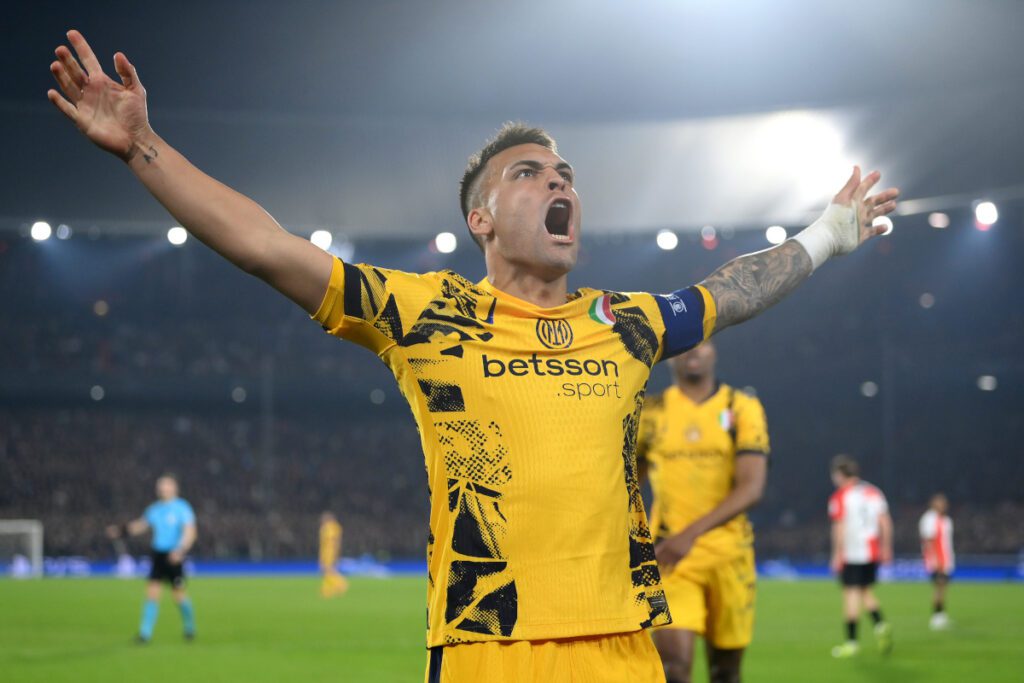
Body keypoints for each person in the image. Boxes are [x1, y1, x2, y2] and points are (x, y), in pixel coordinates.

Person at [48, 30, 898, 681]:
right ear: (481, 220)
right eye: (530, 173)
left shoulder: (625, 321)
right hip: (491, 644)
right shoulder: (428, 313)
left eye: (566, 172)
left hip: (625, 646)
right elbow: (268, 246)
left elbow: (733, 289)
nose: (559, 182)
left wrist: (828, 233)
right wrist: (142, 149)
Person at [637, 340, 769, 683]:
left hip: (729, 555)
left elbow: (751, 487)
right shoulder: (651, 413)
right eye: (682, 345)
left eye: (702, 343)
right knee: (673, 667)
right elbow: (625, 482)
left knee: (725, 671)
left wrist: (689, 535)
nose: (692, 352)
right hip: (671, 558)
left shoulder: (740, 407)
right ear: (668, 357)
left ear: (714, 351)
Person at [106, 474, 197, 643]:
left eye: (166, 485)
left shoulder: (182, 507)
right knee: (152, 594)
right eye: (160, 486)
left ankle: (190, 627)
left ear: (174, 488)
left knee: (179, 596)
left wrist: (180, 550)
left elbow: (190, 532)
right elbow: (140, 526)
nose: (163, 489)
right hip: (158, 555)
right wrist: (120, 531)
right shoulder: (154, 509)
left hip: (174, 556)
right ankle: (145, 633)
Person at [827, 455, 893, 658]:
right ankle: (880, 624)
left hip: (852, 551)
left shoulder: (840, 497)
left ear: (839, 475)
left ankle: (852, 643)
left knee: (850, 594)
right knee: (864, 591)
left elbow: (839, 527)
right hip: (872, 550)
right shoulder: (873, 492)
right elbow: (885, 521)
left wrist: (836, 553)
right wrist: (886, 547)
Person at [919, 493, 954, 630]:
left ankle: (941, 615)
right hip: (938, 561)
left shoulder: (944, 519)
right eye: (941, 502)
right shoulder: (930, 519)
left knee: (943, 588)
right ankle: (936, 617)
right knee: (939, 588)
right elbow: (929, 541)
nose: (944, 504)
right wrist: (935, 559)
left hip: (946, 559)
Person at [319, 511, 349, 598]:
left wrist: (336, 552)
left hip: (329, 551)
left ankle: (341, 583)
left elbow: (335, 541)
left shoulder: (331, 527)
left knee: (328, 569)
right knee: (325, 570)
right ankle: (327, 589)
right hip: (326, 551)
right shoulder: (331, 527)